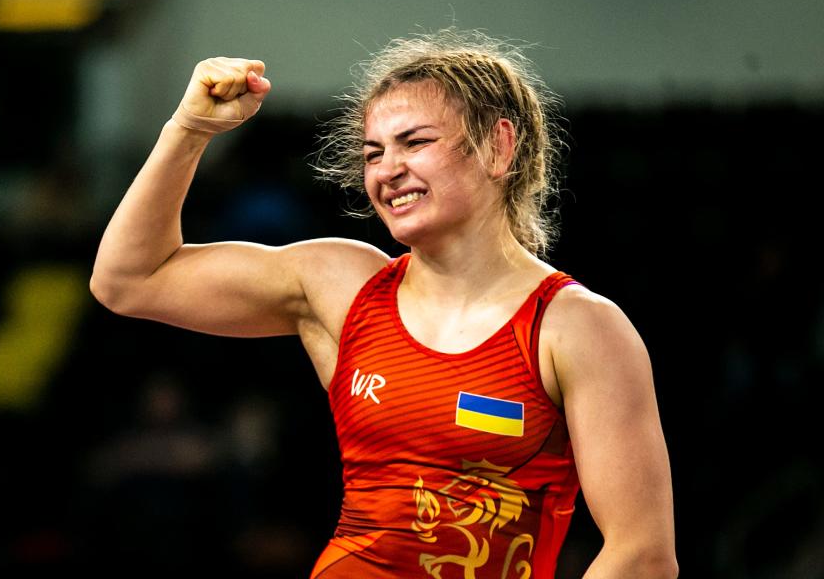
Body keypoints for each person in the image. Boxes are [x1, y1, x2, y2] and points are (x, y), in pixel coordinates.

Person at [90, 28, 678, 578]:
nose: (388, 170)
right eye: (373, 153)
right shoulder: (341, 286)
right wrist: (188, 130)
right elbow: (127, 279)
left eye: (414, 143)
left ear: (499, 146)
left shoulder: (577, 327)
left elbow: (643, 554)